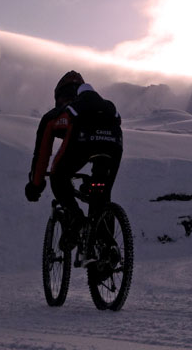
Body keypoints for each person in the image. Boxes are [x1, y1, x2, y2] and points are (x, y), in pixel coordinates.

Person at [25, 71, 123, 248]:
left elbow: (42, 154)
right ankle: (106, 251)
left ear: (59, 96)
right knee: (101, 194)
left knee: (58, 176)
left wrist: (35, 185)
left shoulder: (56, 114)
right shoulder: (103, 106)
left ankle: (75, 217)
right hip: (114, 143)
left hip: (82, 140)